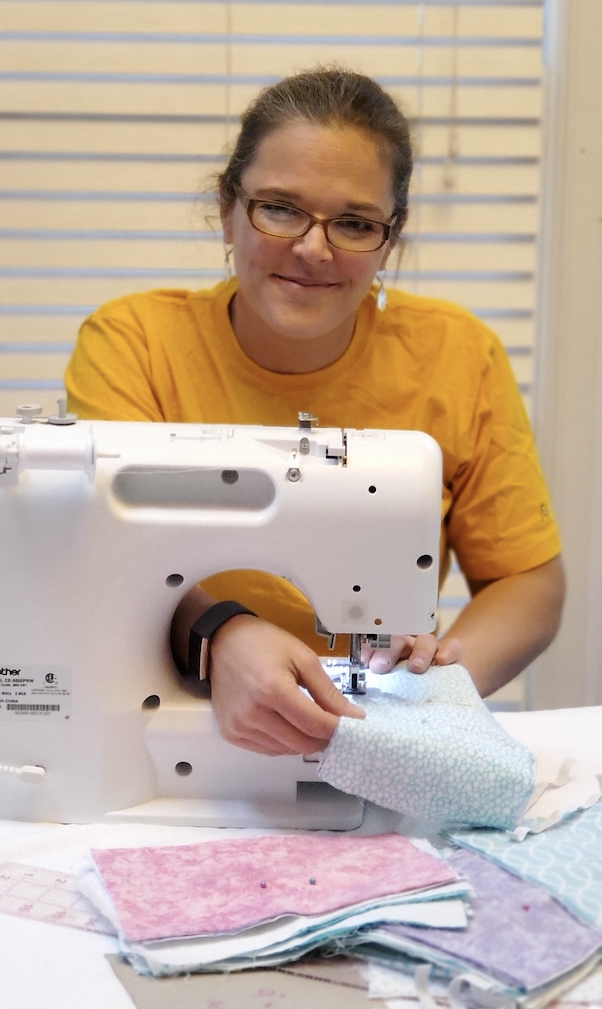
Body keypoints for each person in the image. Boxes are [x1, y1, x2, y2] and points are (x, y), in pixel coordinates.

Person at [65, 67, 565, 759]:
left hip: (373, 736)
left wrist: (429, 690)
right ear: (227, 209)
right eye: (280, 208)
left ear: (391, 239)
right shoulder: (135, 346)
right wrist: (225, 634)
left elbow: (527, 581)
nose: (312, 248)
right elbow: (108, 549)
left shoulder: (458, 356)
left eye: (355, 223)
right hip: (160, 726)